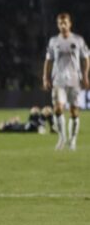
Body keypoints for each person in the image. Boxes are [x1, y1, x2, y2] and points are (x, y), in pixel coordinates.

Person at [43, 13, 90, 151]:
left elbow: (86, 58)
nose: (62, 26)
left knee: (74, 111)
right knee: (58, 108)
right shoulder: (53, 41)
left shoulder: (78, 40)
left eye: (65, 23)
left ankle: (73, 140)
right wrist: (45, 78)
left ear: (70, 24)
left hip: (75, 80)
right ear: (58, 25)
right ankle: (62, 138)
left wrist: (85, 75)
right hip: (58, 80)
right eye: (60, 23)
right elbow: (48, 60)